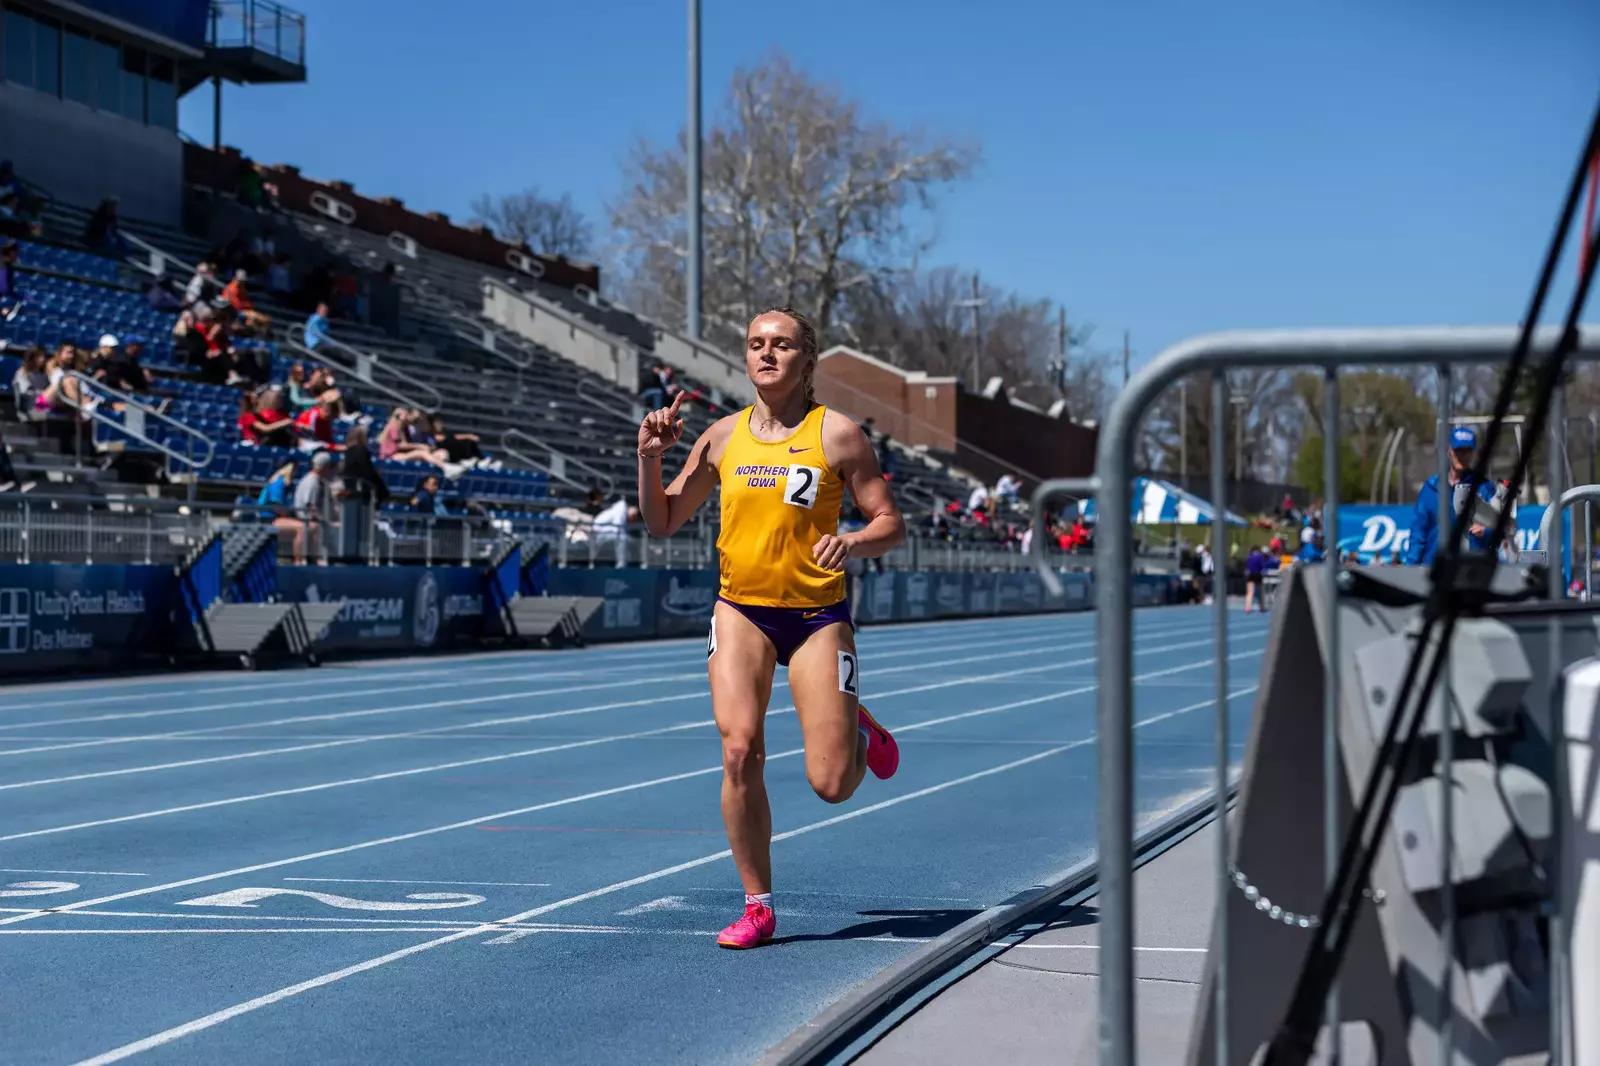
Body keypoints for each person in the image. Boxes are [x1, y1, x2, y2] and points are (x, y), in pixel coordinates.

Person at [635, 305, 906, 951]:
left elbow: (890, 523)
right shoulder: (722, 437)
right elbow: (663, 520)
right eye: (756, 344)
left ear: (806, 359)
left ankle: (857, 729)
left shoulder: (837, 435)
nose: (766, 354)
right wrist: (648, 459)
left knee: (832, 784)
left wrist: (854, 541)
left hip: (816, 617)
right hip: (742, 610)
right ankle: (758, 906)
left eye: (781, 345)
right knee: (737, 749)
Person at [1403, 425, 1501, 566]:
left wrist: (1485, 532)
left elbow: (1500, 531)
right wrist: (1410, 570)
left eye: (1467, 451)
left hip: (1472, 572)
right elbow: (1418, 535)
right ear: (1449, 451)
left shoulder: (1485, 488)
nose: (1462, 456)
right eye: (1458, 451)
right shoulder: (1430, 489)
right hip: (1435, 572)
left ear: (1473, 454)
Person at [1244, 544, 1268, 613]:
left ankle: (1248, 608)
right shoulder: (1260, 556)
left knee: (1250, 592)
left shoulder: (1249, 557)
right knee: (1260, 592)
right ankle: (1261, 607)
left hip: (1250, 575)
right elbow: (1263, 566)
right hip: (1258, 575)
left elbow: (1247, 567)